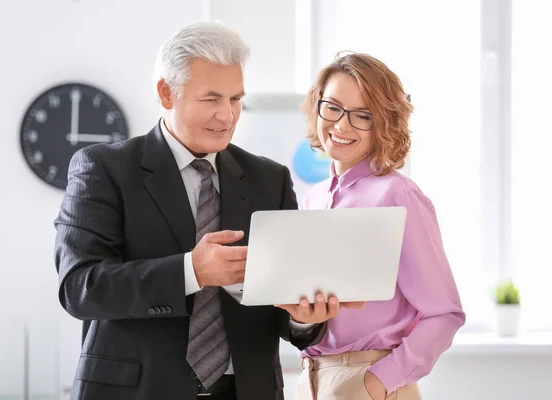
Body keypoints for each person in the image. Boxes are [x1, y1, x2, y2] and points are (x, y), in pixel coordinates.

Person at [53, 22, 360, 400]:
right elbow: (79, 288)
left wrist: (302, 318)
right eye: (211, 99)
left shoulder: (269, 178)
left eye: (235, 99)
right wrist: (191, 271)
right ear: (167, 93)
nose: (227, 116)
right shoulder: (103, 168)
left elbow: (282, 301)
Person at [294, 52, 466, 400]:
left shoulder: (397, 194)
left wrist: (376, 382)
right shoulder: (312, 198)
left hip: (368, 381)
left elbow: (444, 314)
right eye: (333, 107)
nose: (342, 126)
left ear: (383, 123)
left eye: (362, 116)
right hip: (311, 380)